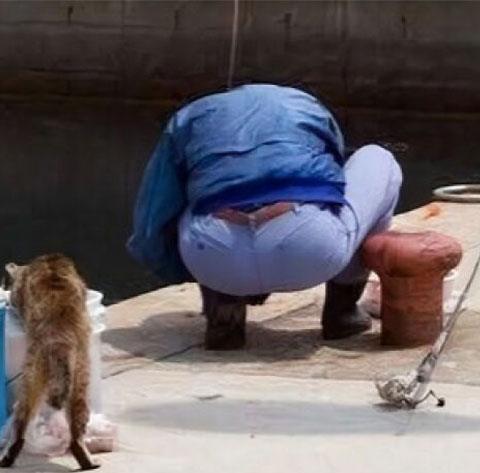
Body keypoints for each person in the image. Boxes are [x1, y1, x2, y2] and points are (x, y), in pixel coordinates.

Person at [127, 82, 402, 348]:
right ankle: (342, 313)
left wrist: (179, 268)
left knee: (197, 197)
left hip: (214, 258)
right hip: (308, 250)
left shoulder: (187, 118)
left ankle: (224, 318)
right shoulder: (308, 106)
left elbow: (155, 208)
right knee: (378, 158)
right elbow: (335, 177)